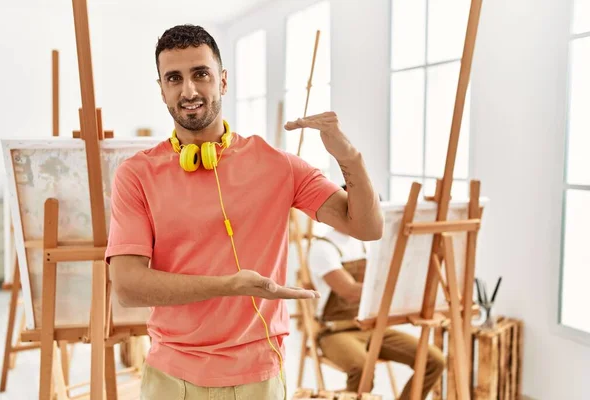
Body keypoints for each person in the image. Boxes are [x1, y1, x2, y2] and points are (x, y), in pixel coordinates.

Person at [105, 24, 383, 400]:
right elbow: (127, 286)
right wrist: (229, 286)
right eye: (174, 78)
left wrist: (349, 156)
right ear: (162, 90)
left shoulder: (277, 165)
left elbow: (366, 227)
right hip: (170, 376)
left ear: (222, 81)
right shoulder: (135, 174)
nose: (188, 91)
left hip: (259, 377)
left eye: (200, 74)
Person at [308, 185, 445, 400]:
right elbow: (349, 291)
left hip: (373, 325)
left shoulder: (365, 243)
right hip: (337, 332)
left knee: (434, 360)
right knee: (362, 368)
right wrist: (395, 287)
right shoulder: (323, 248)